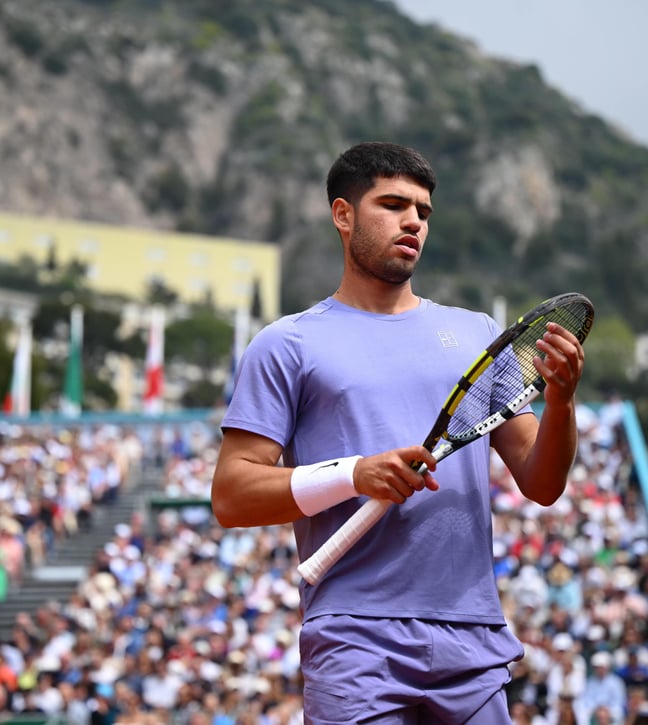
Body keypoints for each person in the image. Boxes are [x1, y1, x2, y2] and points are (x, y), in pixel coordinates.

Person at [211, 141, 586, 723]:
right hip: (352, 636)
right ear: (343, 214)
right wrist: (353, 475)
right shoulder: (286, 345)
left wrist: (561, 402)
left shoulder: (477, 335)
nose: (413, 221)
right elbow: (232, 495)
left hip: (475, 637)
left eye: (424, 211)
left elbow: (542, 482)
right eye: (392, 204)